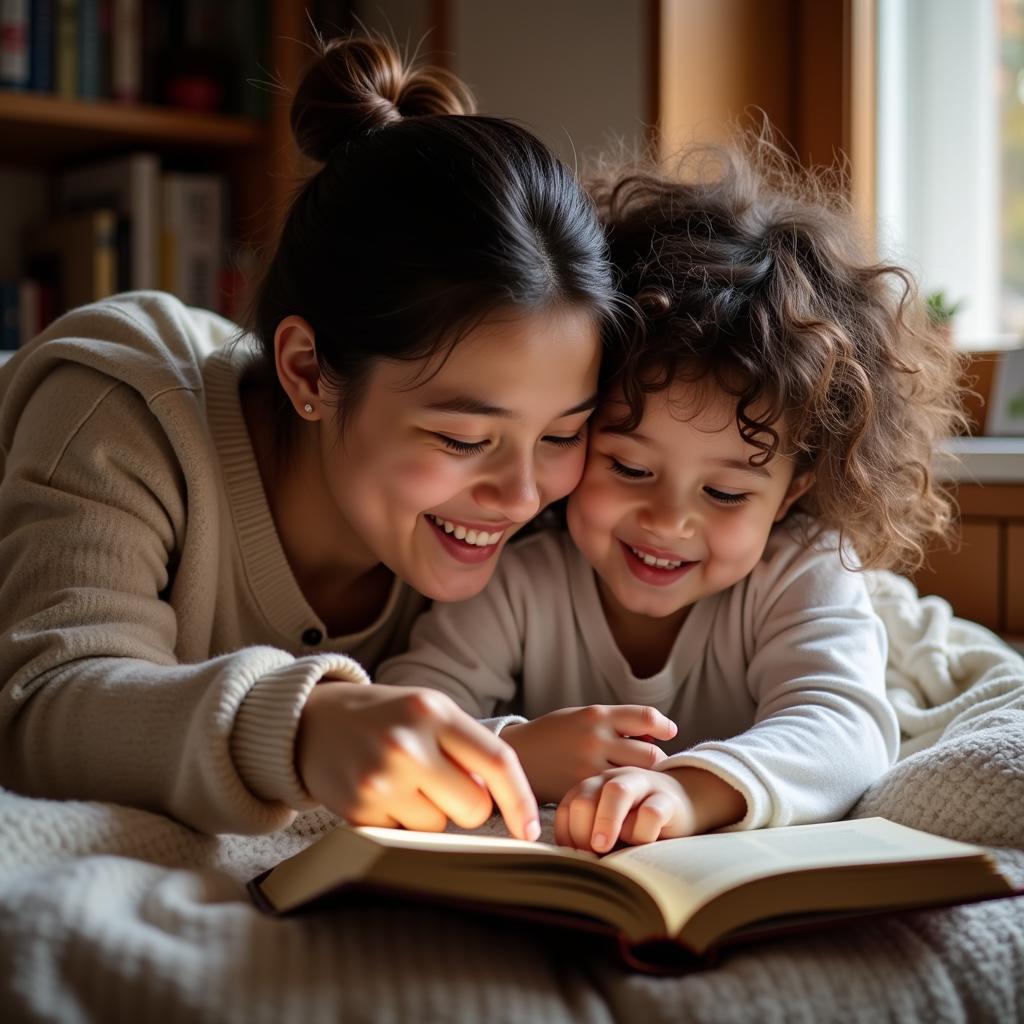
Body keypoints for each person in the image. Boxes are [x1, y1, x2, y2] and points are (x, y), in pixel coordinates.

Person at [0, 35, 626, 840]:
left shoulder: (535, 515)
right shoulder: (121, 402)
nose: (522, 496)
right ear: (306, 372)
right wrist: (305, 727)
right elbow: (40, 706)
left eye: (561, 435)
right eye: (465, 440)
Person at [376, 133, 967, 853]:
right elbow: (408, 708)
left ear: (790, 493)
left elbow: (846, 729)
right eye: (629, 469)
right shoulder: (522, 581)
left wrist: (687, 793)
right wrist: (522, 751)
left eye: (724, 493)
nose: (668, 519)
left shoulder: (800, 571)